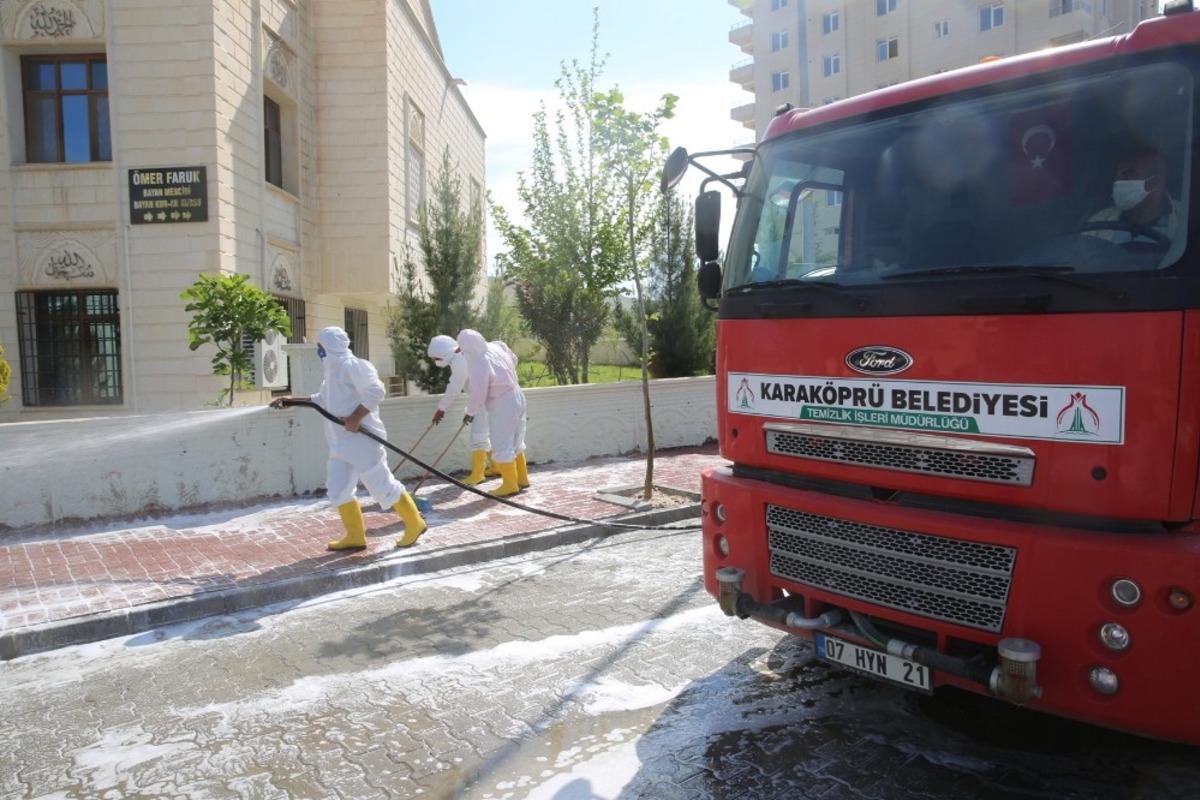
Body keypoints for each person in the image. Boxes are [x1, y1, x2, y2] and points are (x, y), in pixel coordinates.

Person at [271, 326, 427, 550]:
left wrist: (355, 418)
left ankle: (415, 523)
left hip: (362, 440)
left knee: (382, 484)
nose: (318, 351)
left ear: (328, 347)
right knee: (337, 488)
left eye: (320, 346)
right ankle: (355, 536)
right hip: (340, 442)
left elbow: (376, 391)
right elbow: (321, 399)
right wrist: (291, 400)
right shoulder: (332, 372)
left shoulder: (352, 366)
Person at [457, 328, 529, 497]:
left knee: (501, 443)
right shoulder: (496, 347)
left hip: (503, 402)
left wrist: (470, 412)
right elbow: (514, 358)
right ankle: (522, 479)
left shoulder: (479, 362)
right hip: (517, 394)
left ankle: (510, 484)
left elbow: (478, 392)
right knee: (517, 439)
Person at [427, 334, 498, 485]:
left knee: (478, 436)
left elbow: (454, 387)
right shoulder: (461, 356)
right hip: (486, 399)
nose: (436, 362)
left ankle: (478, 474)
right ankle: (497, 466)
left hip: (482, 400)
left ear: (444, 353)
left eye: (436, 358)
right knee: (484, 434)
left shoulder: (459, 360)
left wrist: (441, 409)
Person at [1085, 147, 1180, 251]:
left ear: (1156, 182)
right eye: (1117, 176)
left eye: (1128, 174)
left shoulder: (1186, 219)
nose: (1118, 183)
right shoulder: (1100, 221)